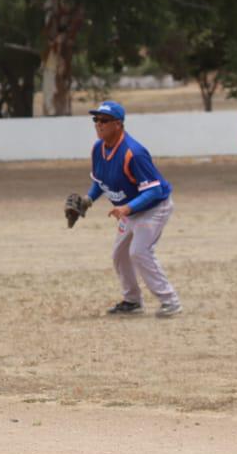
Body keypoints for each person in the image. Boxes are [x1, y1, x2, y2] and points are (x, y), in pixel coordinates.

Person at [69, 100, 181, 318]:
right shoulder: (98, 149)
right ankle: (132, 301)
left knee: (139, 252)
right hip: (128, 210)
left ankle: (170, 301)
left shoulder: (134, 153)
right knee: (120, 255)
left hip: (154, 208)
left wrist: (128, 208)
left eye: (104, 120)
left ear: (118, 124)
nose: (98, 124)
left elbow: (155, 191)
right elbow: (100, 182)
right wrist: (87, 201)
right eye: (96, 120)